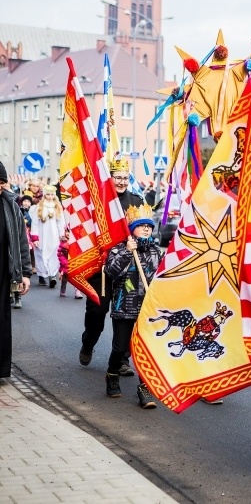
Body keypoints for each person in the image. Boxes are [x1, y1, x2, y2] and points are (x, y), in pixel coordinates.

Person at [80, 157, 142, 377]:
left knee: (127, 314)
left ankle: (122, 359)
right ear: (110, 178)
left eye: (125, 178)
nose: (122, 182)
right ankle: (88, 343)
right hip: (102, 267)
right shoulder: (99, 201)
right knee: (98, 312)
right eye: (118, 177)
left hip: (127, 269)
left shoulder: (136, 201)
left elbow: (144, 229)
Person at [104, 204, 162, 408]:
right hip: (124, 307)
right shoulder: (119, 249)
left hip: (147, 310)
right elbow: (111, 272)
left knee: (147, 351)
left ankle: (144, 388)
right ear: (131, 229)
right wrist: (128, 252)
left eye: (149, 226)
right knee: (120, 348)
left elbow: (162, 279)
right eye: (141, 226)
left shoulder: (156, 252)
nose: (146, 229)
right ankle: (112, 374)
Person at [0, 161, 32, 378]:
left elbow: (21, 239)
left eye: (1, 182)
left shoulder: (11, 205)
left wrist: (26, 273)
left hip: (3, 270)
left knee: (2, 319)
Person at [30, 185, 66, 288]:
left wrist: (61, 235)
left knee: (54, 254)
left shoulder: (57, 207)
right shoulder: (39, 207)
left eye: (52, 195)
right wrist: (35, 237)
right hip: (42, 235)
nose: (50, 197)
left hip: (53, 236)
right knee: (40, 255)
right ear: (45, 195)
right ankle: (41, 276)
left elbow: (60, 222)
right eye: (48, 195)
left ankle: (52, 276)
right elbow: (35, 223)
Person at [57, 234, 82, 299]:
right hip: (65, 263)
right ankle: (63, 289)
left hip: (75, 261)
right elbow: (60, 255)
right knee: (65, 277)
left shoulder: (78, 240)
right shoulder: (63, 243)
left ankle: (77, 292)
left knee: (76, 277)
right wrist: (66, 264)